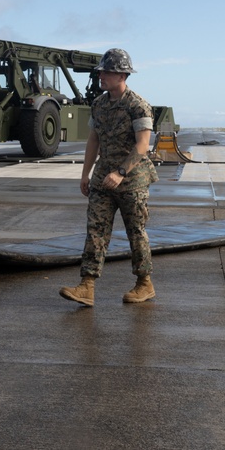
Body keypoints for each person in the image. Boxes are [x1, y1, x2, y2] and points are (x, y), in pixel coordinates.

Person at [59, 48, 159, 307]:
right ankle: (87, 286)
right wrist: (86, 173)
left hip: (132, 179)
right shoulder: (99, 104)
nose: (101, 75)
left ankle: (144, 283)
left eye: (107, 71)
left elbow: (143, 145)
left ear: (122, 75)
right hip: (103, 178)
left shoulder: (138, 105)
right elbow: (94, 139)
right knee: (96, 231)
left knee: (135, 232)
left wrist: (121, 172)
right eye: (101, 71)